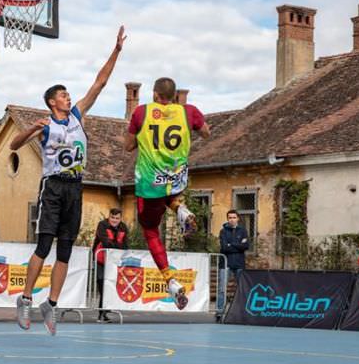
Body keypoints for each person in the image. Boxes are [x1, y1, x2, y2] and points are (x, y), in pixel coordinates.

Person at [11, 26, 126, 335]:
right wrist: (32, 130)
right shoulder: (46, 125)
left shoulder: (77, 116)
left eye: (67, 94)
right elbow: (13, 145)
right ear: (52, 102)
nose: (68, 97)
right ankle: (24, 299)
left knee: (65, 250)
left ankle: (51, 303)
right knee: (44, 245)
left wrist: (115, 51)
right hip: (53, 186)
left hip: (76, 186)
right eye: (62, 95)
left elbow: (99, 83)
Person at [124, 77, 210, 310]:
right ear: (174, 96)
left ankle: (170, 281)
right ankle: (180, 209)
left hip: (150, 182)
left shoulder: (142, 112)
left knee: (150, 231)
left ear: (154, 94)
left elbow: (128, 145)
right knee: (169, 197)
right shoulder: (188, 111)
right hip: (176, 177)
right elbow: (206, 132)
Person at [92, 208, 128, 322]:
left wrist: (115, 246)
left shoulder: (123, 227)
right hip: (100, 260)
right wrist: (117, 246)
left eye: (117, 218)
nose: (114, 220)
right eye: (112, 217)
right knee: (102, 283)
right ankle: (103, 311)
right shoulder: (102, 225)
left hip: (114, 262)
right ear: (109, 217)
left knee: (111, 285)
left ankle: (103, 313)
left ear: (120, 218)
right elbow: (105, 242)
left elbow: (126, 245)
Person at [219, 210, 249, 282]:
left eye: (234, 217)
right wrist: (239, 245)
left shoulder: (243, 231)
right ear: (227, 219)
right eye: (230, 218)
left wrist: (231, 244)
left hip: (239, 263)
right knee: (222, 288)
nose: (232, 220)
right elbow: (224, 248)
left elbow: (246, 246)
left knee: (241, 287)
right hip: (226, 263)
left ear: (238, 218)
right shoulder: (223, 231)